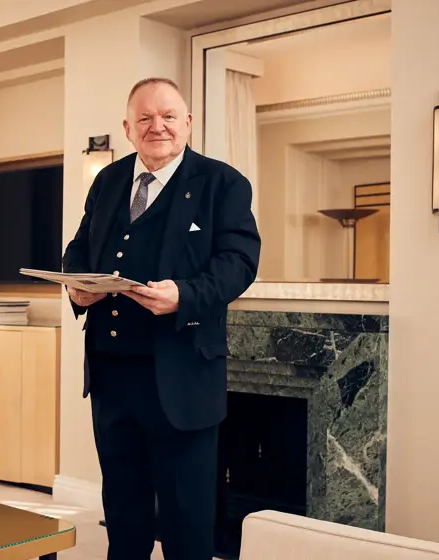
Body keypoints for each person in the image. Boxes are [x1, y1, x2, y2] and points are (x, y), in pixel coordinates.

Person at [62, 77, 261, 560]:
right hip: (112, 377)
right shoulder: (107, 181)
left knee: (186, 521)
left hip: (183, 377)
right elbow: (79, 250)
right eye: (145, 118)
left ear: (187, 123)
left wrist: (186, 295)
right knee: (124, 511)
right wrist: (76, 285)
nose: (158, 127)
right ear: (128, 128)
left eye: (169, 116)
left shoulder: (223, 183)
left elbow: (239, 262)